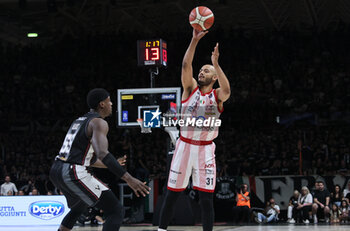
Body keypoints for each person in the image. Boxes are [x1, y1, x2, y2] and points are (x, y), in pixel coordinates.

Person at [158, 28, 231, 231]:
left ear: (214, 77)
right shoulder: (189, 89)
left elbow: (227, 90)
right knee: (171, 194)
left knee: (206, 199)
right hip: (184, 146)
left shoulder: (217, 96)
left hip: (206, 150)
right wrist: (194, 40)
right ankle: (161, 230)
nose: (201, 72)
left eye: (206, 71)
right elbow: (185, 64)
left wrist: (215, 63)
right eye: (201, 70)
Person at [49, 88, 150, 231]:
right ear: (102, 104)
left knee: (80, 205)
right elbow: (102, 153)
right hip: (71, 172)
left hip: (56, 169)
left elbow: (85, 158)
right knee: (115, 210)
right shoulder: (99, 123)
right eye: (110, 101)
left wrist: (110, 164)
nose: (112, 104)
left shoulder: (79, 121)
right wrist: (129, 179)